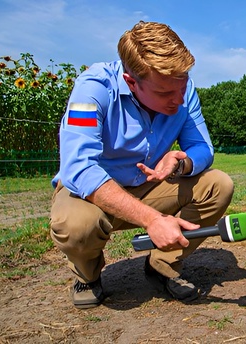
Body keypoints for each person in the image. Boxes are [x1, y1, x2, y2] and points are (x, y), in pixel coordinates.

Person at [49, 21, 234, 309]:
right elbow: (79, 168)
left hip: (149, 186)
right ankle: (87, 275)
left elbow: (202, 148)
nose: (178, 100)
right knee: (75, 226)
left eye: (182, 87)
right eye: (164, 93)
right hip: (93, 194)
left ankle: (163, 266)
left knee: (218, 185)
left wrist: (182, 163)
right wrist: (152, 220)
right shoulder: (93, 89)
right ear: (131, 81)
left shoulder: (182, 91)